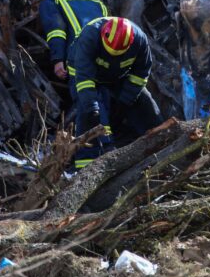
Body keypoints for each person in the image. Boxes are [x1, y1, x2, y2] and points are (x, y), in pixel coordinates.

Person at [69, 16, 163, 169]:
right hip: (84, 75)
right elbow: (84, 78)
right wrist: (92, 106)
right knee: (88, 111)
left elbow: (140, 73)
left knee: (145, 102)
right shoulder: (90, 36)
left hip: (118, 75)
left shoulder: (140, 40)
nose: (112, 55)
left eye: (118, 53)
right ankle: (86, 164)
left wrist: (126, 100)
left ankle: (161, 141)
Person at [38, 0, 108, 81]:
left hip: (79, 54)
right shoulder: (96, 2)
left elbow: (56, 31)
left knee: (83, 92)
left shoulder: (50, 2)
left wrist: (58, 60)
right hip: (106, 53)